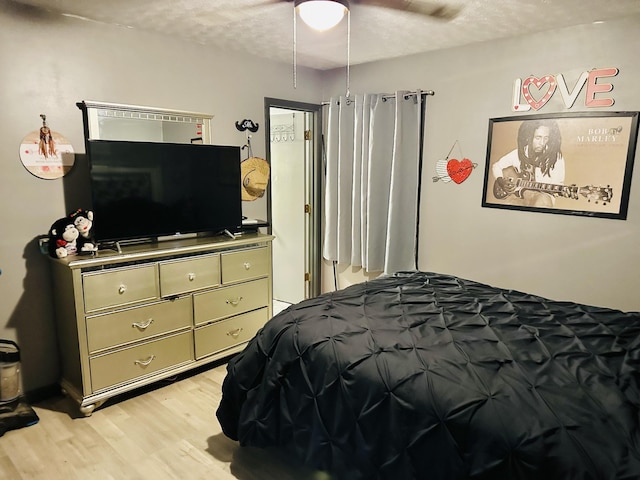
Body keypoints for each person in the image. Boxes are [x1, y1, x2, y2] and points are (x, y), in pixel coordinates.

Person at [491, 119, 565, 207]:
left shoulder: (556, 158)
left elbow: (558, 184)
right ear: (529, 137)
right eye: (538, 137)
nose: (542, 143)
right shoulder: (518, 153)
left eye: (546, 138)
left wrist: (563, 191)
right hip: (520, 197)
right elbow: (496, 166)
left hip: (543, 198)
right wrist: (501, 181)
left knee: (542, 201)